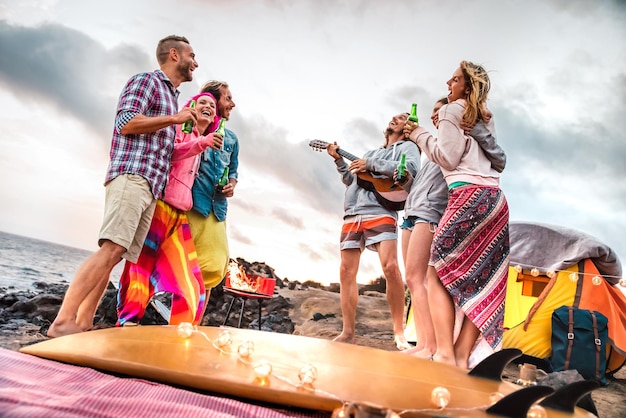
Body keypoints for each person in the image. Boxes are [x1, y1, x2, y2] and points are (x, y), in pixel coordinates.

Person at [47, 35, 199, 337]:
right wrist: (174, 119)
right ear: (173, 55)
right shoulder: (147, 81)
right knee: (111, 248)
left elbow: (166, 150)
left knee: (116, 255)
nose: (196, 62)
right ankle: (63, 321)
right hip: (132, 175)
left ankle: (83, 323)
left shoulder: (172, 97)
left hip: (150, 186)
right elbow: (125, 122)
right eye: (192, 55)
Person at [406, 60, 510, 368]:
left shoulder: (454, 110)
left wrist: (420, 135)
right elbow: (496, 159)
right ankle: (462, 358)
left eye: (453, 80)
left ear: (467, 85)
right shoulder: (484, 117)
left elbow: (447, 159)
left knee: (434, 271)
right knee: (483, 281)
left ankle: (446, 355)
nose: (448, 84)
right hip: (495, 202)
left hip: (467, 197)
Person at [117, 92, 224, 326]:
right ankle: (128, 322)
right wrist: (201, 143)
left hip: (179, 216)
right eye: (202, 102)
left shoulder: (205, 140)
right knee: (141, 267)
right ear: (191, 108)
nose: (208, 106)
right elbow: (172, 154)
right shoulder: (180, 129)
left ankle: (181, 329)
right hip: (160, 208)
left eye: (212, 105)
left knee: (190, 279)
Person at [326, 113, 420, 350]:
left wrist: (371, 165)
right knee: (346, 271)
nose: (395, 118)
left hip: (381, 210)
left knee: (390, 266)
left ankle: (399, 333)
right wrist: (339, 161)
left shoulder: (409, 147)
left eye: (403, 117)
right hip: (353, 212)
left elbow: (409, 171)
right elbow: (352, 180)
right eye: (395, 116)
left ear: (409, 127)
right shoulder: (370, 152)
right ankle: (348, 332)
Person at [187, 81, 239, 312]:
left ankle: (192, 324)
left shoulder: (232, 139)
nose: (232, 103)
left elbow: (234, 170)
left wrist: (231, 184)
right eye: (227, 98)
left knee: (211, 267)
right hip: (191, 205)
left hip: (217, 211)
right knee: (180, 266)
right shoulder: (192, 127)